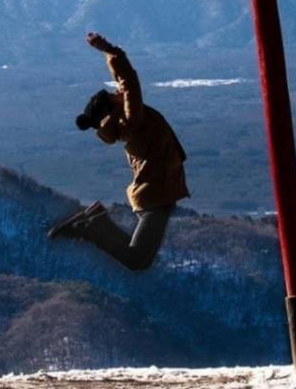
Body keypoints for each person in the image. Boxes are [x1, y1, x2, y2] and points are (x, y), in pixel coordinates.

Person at [48, 32, 190, 271]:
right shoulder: (132, 120)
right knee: (137, 260)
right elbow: (130, 83)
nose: (118, 93)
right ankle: (90, 228)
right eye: (114, 95)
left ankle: (98, 221)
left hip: (155, 193)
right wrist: (112, 52)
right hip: (156, 196)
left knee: (138, 256)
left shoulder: (124, 124)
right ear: (112, 106)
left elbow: (126, 88)